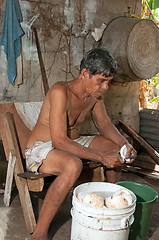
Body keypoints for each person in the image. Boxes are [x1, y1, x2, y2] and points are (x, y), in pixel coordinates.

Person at [25, 48, 136, 240]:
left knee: (115, 151)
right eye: (101, 81)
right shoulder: (60, 91)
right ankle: (39, 234)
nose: (105, 88)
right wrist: (101, 157)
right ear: (85, 73)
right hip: (43, 148)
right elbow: (59, 140)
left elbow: (104, 123)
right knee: (73, 164)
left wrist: (125, 144)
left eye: (108, 82)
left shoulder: (95, 95)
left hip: (73, 141)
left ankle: (109, 207)